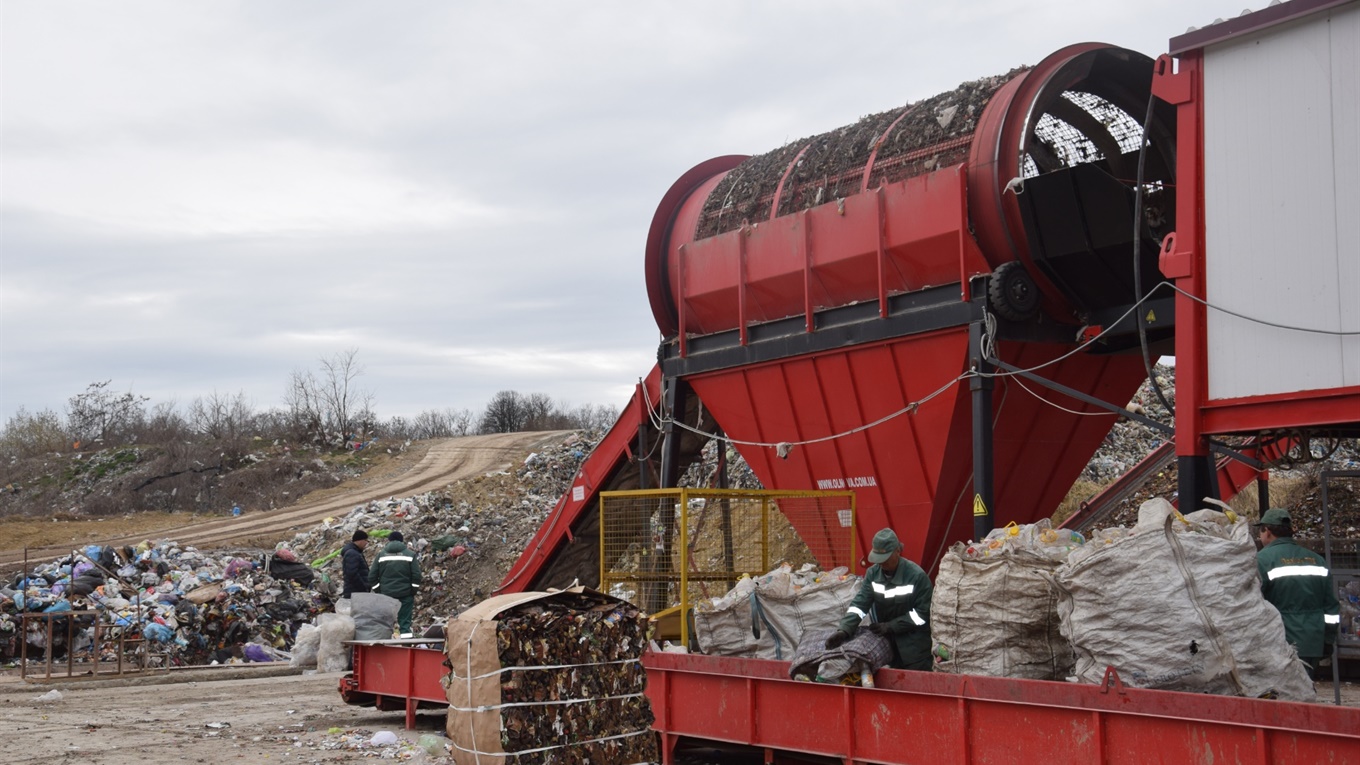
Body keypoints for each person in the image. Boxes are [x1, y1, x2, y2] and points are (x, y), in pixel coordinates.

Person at [824, 528, 933, 671]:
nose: (882, 564)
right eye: (879, 560)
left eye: (886, 560)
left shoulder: (917, 576)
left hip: (914, 649)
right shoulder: (873, 574)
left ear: (897, 552)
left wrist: (891, 626)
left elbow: (922, 614)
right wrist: (844, 629)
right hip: (886, 645)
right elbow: (860, 604)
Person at [1254, 507, 1341, 675]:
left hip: (1279, 642)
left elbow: (1253, 605)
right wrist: (1328, 640)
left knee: (1282, 695)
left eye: (1261, 530)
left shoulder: (1261, 560)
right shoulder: (1317, 560)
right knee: (1304, 691)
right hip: (1313, 642)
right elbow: (1331, 607)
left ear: (1268, 531)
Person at [369, 531, 422, 638]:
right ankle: (407, 648)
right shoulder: (410, 554)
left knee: (385, 623)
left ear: (389, 540)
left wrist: (379, 590)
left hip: (386, 595)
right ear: (402, 541)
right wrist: (412, 591)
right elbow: (416, 575)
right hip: (405, 594)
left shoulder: (381, 555)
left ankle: (386, 648)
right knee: (405, 624)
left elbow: (372, 576)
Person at [340, 530, 370, 598]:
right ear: (360, 540)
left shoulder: (355, 552)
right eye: (365, 540)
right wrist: (363, 588)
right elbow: (352, 574)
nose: (366, 543)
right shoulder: (352, 553)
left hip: (355, 592)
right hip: (356, 593)